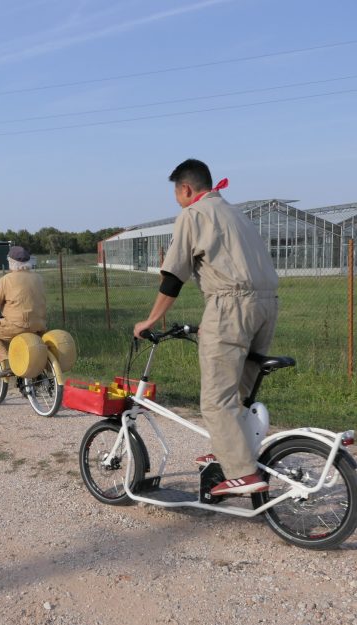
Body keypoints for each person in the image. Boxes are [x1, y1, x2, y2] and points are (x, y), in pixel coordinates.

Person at [133, 159, 279, 496]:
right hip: (267, 305)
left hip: (229, 306)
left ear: (186, 189)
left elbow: (172, 278)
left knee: (216, 400)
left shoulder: (193, 215)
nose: (177, 200)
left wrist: (150, 321)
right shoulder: (236, 213)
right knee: (238, 392)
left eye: (176, 193)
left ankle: (243, 472)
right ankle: (229, 452)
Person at [0, 245, 48, 376]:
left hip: (18, 325)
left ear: (12, 263)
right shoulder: (38, 278)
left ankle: (9, 364)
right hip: (39, 325)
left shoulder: (7, 279)